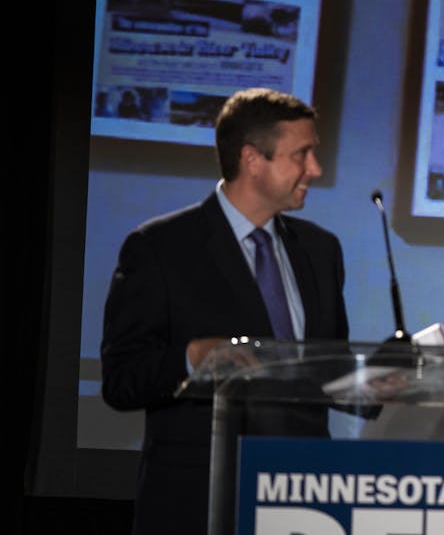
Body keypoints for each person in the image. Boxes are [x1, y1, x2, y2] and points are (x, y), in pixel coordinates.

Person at [101, 88, 349, 535]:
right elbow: (122, 380)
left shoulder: (320, 249)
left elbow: (326, 367)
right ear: (252, 159)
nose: (316, 169)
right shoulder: (160, 248)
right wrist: (193, 356)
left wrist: (375, 379)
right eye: (302, 154)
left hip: (304, 502)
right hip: (199, 503)